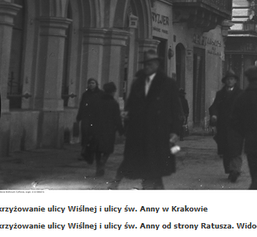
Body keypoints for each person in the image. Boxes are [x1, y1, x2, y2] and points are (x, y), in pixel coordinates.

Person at [113, 49, 183, 190]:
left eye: (150, 64)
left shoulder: (168, 84)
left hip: (159, 131)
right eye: (145, 64)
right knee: (146, 166)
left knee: (153, 166)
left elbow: (176, 109)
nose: (146, 67)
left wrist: (175, 131)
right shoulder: (138, 83)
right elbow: (130, 105)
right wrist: (127, 120)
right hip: (138, 131)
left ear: (157, 64)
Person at [209, 69, 243, 183]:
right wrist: (214, 114)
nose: (230, 81)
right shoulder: (220, 94)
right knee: (226, 149)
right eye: (228, 79)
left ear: (235, 81)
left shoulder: (240, 93)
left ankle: (235, 170)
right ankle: (230, 169)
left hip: (237, 126)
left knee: (236, 149)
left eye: (232, 79)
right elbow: (214, 106)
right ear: (225, 81)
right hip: (223, 126)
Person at [93, 82, 124, 177]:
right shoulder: (114, 103)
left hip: (97, 128)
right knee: (108, 149)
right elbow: (117, 118)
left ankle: (99, 167)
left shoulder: (98, 101)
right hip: (110, 129)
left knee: (98, 149)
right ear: (113, 92)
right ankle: (103, 161)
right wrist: (121, 130)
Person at [76, 78, 102, 162]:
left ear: (96, 84)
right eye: (90, 83)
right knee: (85, 134)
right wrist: (79, 117)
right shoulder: (85, 94)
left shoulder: (100, 94)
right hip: (86, 117)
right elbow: (82, 106)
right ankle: (83, 151)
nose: (91, 85)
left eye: (93, 83)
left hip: (96, 118)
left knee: (94, 135)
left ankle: (93, 153)